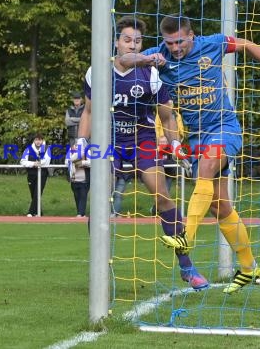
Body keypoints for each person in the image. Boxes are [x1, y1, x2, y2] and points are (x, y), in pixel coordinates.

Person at [120, 14, 260, 293]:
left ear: (191, 35)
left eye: (179, 42)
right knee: (220, 206)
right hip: (196, 136)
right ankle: (249, 267)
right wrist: (149, 60)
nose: (175, 48)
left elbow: (247, 45)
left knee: (206, 167)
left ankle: (186, 235)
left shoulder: (212, 44)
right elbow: (124, 61)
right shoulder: (160, 54)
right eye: (169, 43)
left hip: (224, 127)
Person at [75, 15, 208, 290]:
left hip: (143, 140)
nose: (132, 45)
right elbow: (88, 111)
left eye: (137, 41)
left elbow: (168, 117)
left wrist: (174, 146)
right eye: (127, 40)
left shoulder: (152, 74)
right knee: (100, 200)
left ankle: (187, 266)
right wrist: (80, 143)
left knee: (163, 198)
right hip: (108, 142)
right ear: (116, 42)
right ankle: (99, 267)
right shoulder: (98, 71)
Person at [20, 133, 51, 217]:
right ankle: (39, 212)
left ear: (42, 140)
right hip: (31, 174)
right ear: (34, 140)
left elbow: (47, 161)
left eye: (40, 139)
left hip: (43, 174)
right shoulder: (28, 149)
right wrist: (33, 163)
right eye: (36, 139)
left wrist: (39, 163)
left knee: (37, 193)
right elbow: (23, 161)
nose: (38, 141)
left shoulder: (47, 148)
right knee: (33, 194)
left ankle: (30, 212)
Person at [65, 150, 90, 217]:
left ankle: (80, 213)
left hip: (84, 180)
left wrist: (82, 162)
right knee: (77, 197)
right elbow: (66, 161)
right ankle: (81, 213)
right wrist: (73, 162)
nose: (76, 146)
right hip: (74, 180)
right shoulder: (70, 151)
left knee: (83, 197)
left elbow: (91, 162)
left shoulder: (87, 151)